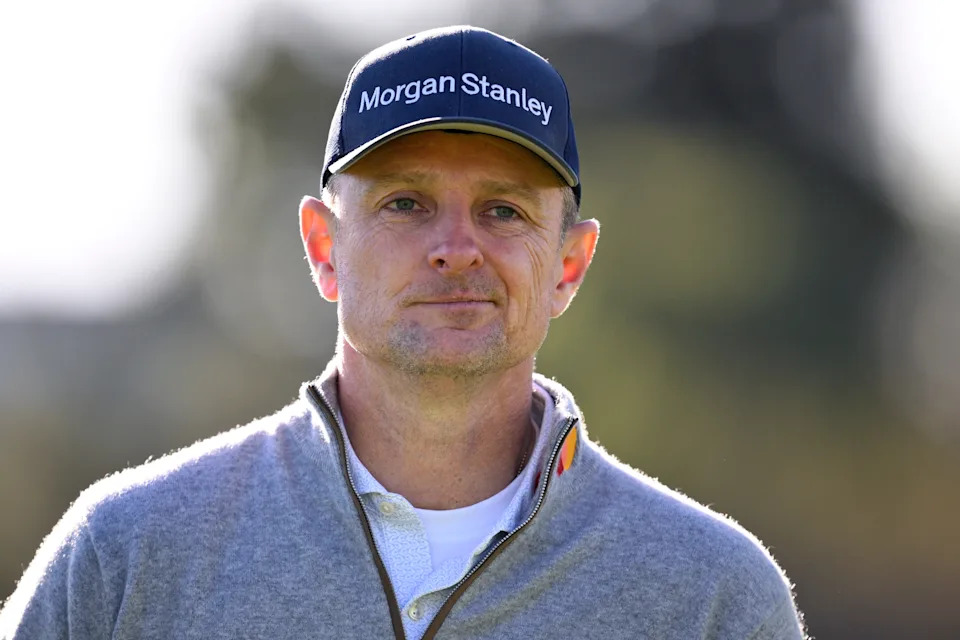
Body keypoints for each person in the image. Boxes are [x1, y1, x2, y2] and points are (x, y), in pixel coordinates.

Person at [0, 25, 806, 640]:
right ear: (324, 249)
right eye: (405, 204)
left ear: (569, 264)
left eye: (503, 210)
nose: (456, 247)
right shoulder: (128, 557)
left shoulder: (711, 598)